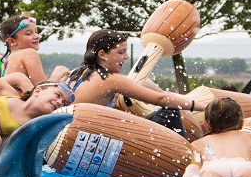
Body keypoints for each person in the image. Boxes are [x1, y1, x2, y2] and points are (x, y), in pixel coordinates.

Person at [62, 29, 203, 115]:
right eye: (121, 52)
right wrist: (203, 107)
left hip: (62, 135)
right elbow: (161, 100)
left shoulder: (77, 72)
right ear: (102, 54)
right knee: (168, 114)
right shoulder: (111, 79)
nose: (127, 56)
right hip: (77, 139)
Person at [180, 97, 251, 177]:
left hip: (213, 168)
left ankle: (191, 174)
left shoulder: (199, 143)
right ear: (241, 124)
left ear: (206, 126)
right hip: (244, 166)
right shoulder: (250, 136)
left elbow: (193, 159)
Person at [0, 82, 68, 137]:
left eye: (64, 103)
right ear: (37, 91)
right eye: (58, 95)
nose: (60, 103)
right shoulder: (9, 93)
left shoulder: (35, 128)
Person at [0, 15, 70, 88]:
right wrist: (56, 76)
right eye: (28, 33)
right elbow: (42, 89)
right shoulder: (29, 53)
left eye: (36, 32)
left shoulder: (6, 63)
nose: (37, 36)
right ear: (12, 41)